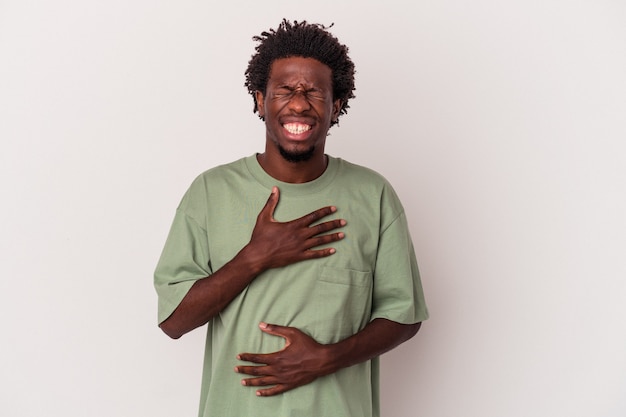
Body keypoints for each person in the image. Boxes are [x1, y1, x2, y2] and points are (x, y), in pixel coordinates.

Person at [154, 19, 429, 417]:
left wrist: (326, 358)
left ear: (335, 106)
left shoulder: (373, 195)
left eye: (314, 92)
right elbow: (174, 321)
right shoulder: (210, 192)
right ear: (260, 99)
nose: (298, 104)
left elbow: (404, 317)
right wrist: (256, 256)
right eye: (285, 90)